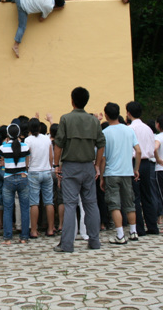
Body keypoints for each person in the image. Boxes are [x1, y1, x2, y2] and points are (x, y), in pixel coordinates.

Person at [53, 87, 106, 253]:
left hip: (70, 167)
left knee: (70, 205)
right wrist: (96, 165)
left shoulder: (66, 119)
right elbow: (101, 144)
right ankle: (94, 241)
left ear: (72, 101)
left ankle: (67, 244)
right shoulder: (94, 121)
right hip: (88, 166)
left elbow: (58, 144)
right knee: (91, 204)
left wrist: (56, 165)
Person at [100, 103, 141, 245]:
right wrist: (136, 169)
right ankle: (133, 232)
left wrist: (101, 177)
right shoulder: (129, 130)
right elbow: (138, 151)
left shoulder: (105, 133)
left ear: (106, 115)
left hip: (111, 173)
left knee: (114, 204)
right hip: (127, 171)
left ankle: (120, 234)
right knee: (129, 203)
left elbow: (103, 158)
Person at [126, 101, 160, 235]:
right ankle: (152, 226)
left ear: (128, 113)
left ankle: (139, 228)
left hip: (134, 162)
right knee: (147, 195)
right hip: (147, 163)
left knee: (135, 196)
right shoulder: (148, 128)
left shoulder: (130, 129)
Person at [1, 0, 65, 58]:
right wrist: (54, 9)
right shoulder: (49, 7)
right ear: (56, 6)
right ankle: (16, 45)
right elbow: (41, 20)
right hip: (23, 7)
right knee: (22, 27)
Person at [25, 118, 55, 238]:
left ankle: (33, 230)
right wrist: (49, 167)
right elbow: (51, 156)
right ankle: (51, 229)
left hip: (33, 172)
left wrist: (27, 167)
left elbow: (27, 156)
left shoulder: (28, 140)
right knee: (49, 201)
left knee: (34, 203)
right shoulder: (46, 138)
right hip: (46, 171)